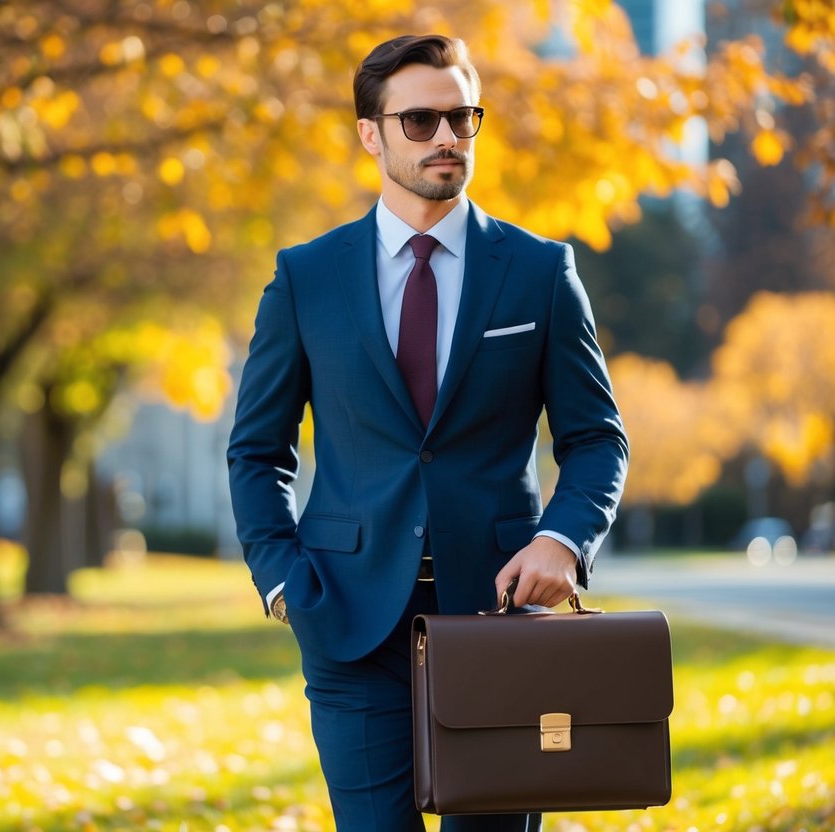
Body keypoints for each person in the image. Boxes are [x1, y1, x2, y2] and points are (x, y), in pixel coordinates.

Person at [226, 34, 629, 832]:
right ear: (369, 134)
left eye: (460, 117)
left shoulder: (540, 272)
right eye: (419, 120)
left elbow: (595, 438)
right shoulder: (306, 277)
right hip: (345, 619)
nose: (445, 137)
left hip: (497, 619)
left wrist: (564, 540)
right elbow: (257, 448)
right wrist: (280, 580)